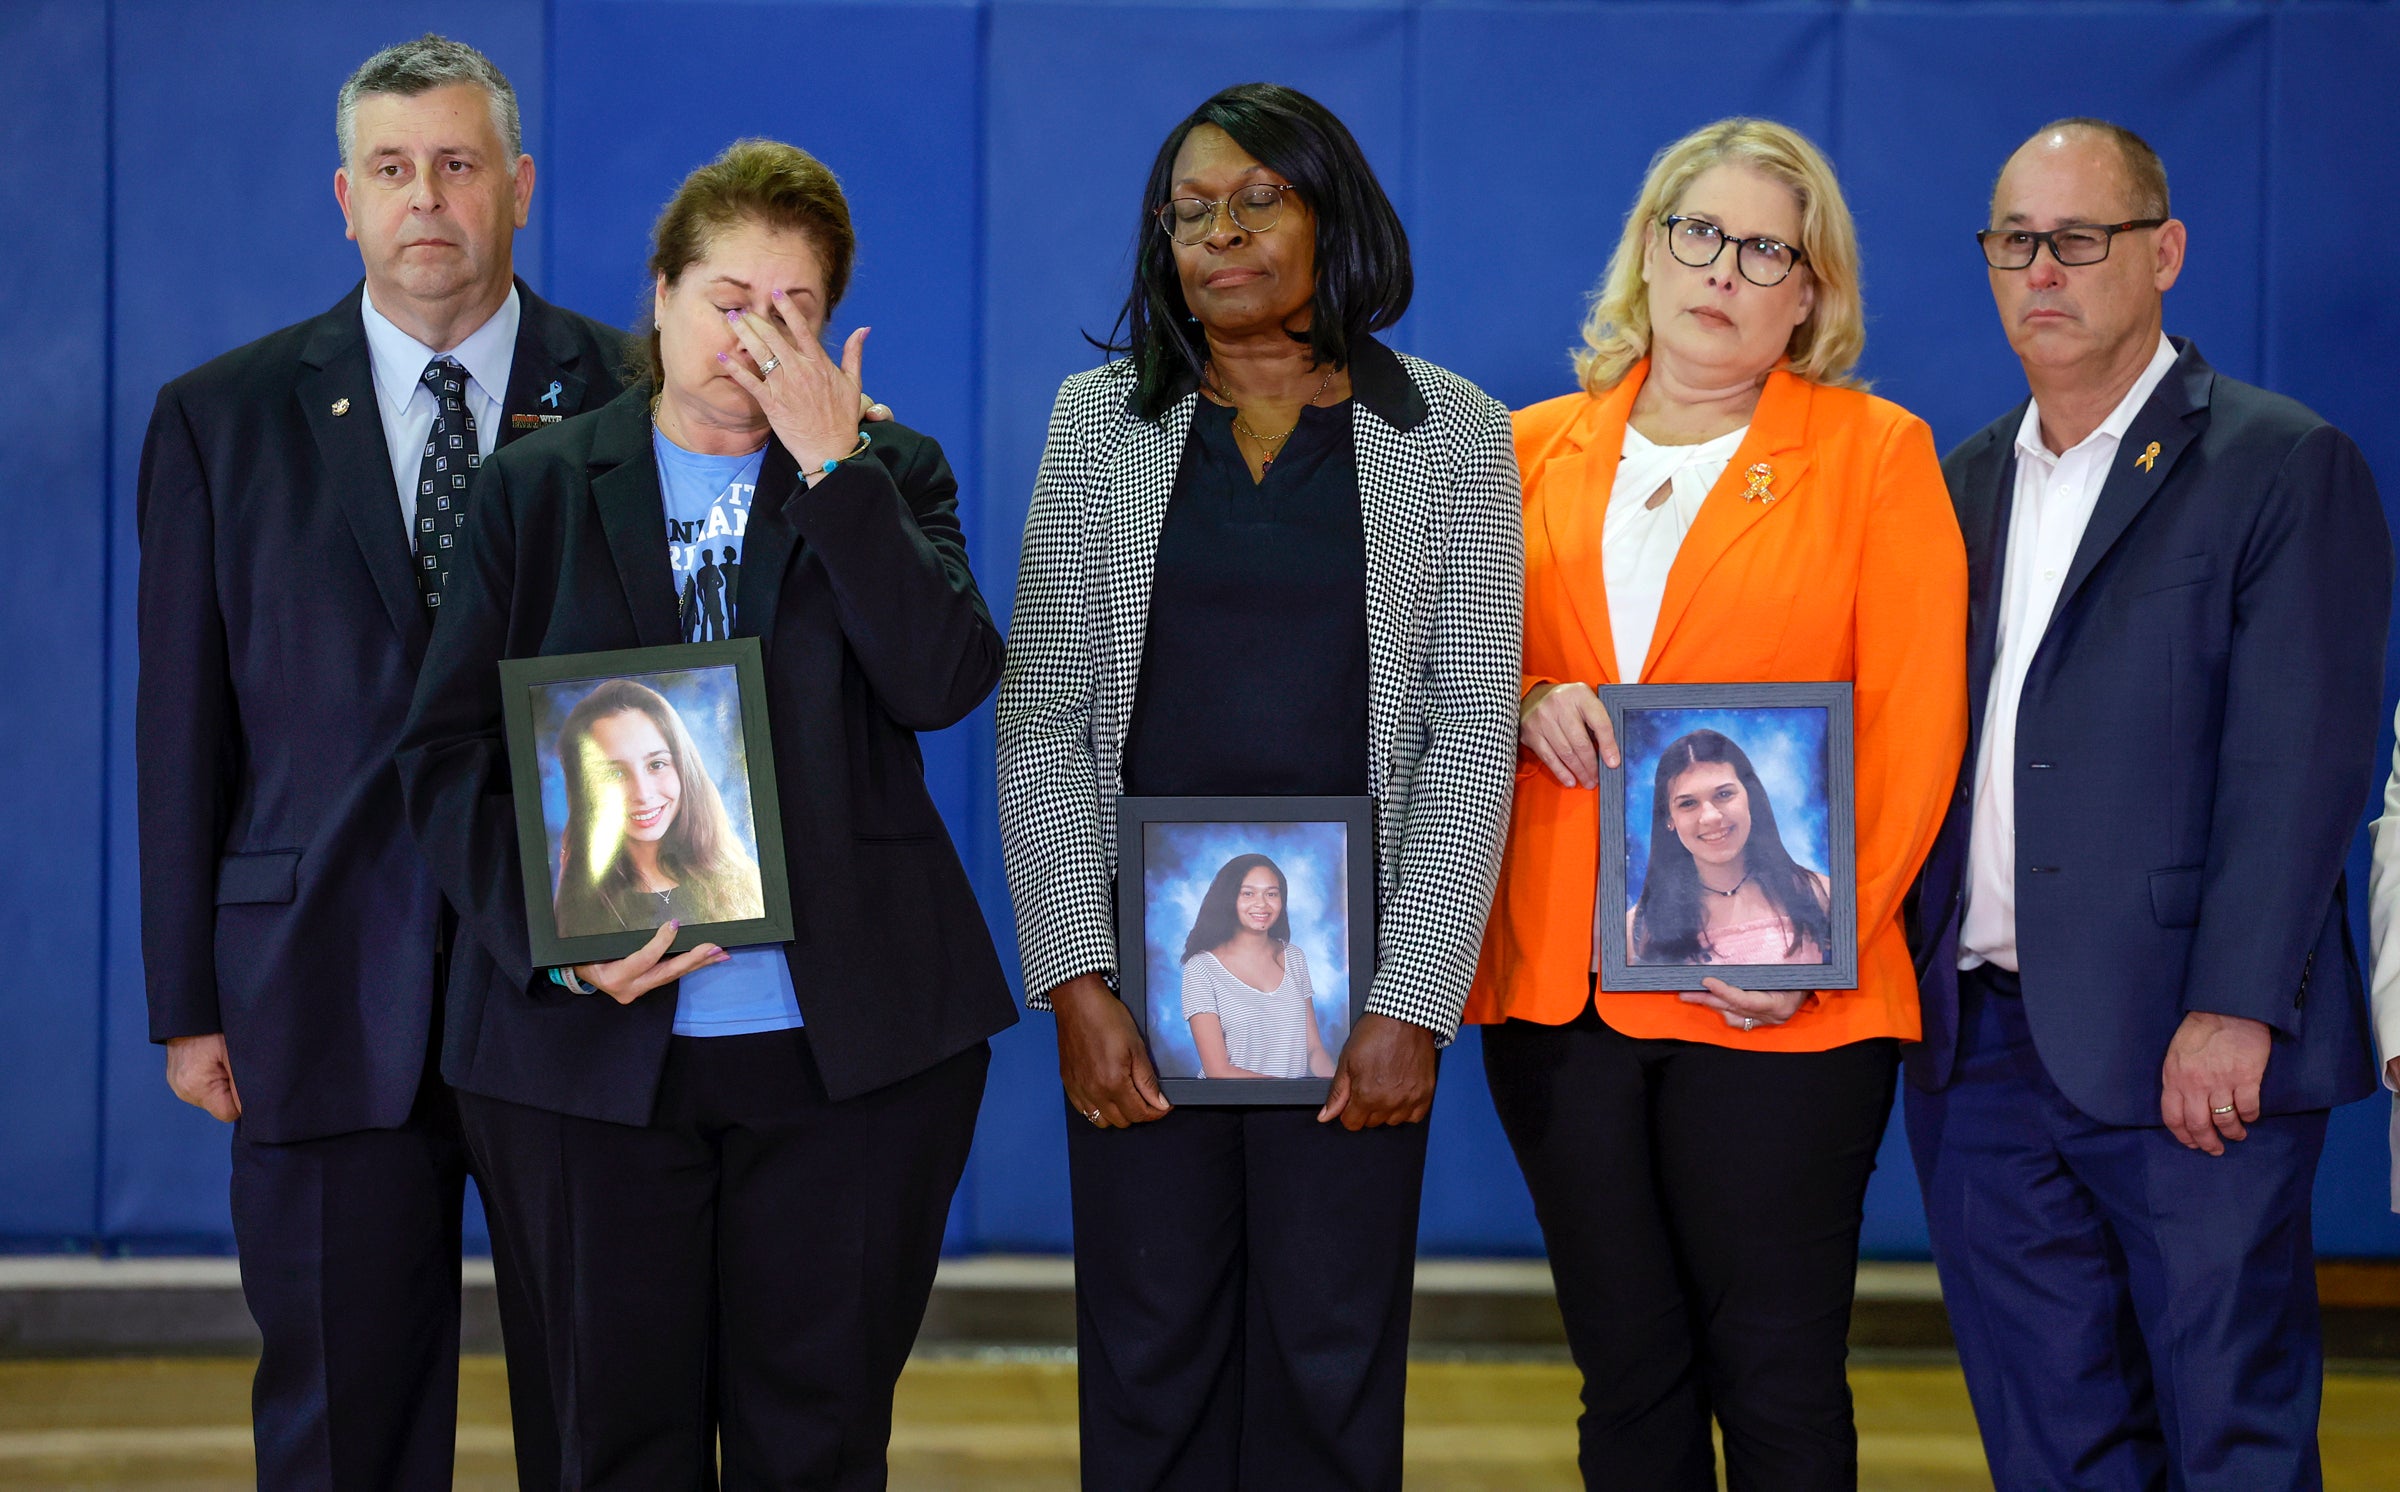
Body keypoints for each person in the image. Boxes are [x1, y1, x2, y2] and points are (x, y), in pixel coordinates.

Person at [396, 138, 1016, 1487]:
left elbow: (946, 681)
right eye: (727, 298)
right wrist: (557, 938)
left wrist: (836, 475)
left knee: (819, 1445)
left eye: (790, 310)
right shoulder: (537, 490)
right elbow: (442, 758)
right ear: (659, 296)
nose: (755, 334)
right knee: (609, 1447)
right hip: (590, 1060)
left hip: (848, 1060)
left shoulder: (888, 470)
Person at [996, 82, 1520, 1491]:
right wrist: (1074, 976)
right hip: (1141, 988)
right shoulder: (1097, 422)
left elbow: (1471, 730)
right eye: (1188, 211)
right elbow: (1042, 716)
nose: (1219, 234)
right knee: (1150, 1350)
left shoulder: (1455, 433)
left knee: (1331, 1357)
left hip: (1356, 992)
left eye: (1257, 200)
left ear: (1329, 210)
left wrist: (1415, 996)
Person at [134, 34, 626, 1491]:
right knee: (342, 1421)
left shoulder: (633, 388)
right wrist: (187, 1000)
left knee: (611, 1411)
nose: (429, 199)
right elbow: (182, 728)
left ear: (519, 188)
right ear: (341, 198)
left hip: (581, 983)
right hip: (314, 981)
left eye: (460, 166)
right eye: (395, 170)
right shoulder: (220, 419)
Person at [1463, 118, 1967, 1490]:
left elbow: (1916, 731)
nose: (1724, 271)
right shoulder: (1517, 451)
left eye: (1765, 250)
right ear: (1649, 246)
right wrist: (1516, 703)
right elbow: (1447, 673)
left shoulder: (1877, 455)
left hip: (1784, 999)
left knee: (1780, 1372)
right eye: (1700, 234)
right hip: (1566, 985)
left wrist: (1818, 944)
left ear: (1812, 291)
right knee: (1626, 1376)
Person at [1905, 119, 2390, 1492]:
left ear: (2163, 253)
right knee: (2049, 1449)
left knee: (2226, 1435)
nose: (2040, 271)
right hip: (1984, 1056)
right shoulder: (1962, 481)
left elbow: (2301, 764)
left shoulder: (2281, 464)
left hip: (2190, 1053)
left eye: (2079, 238)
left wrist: (2235, 1008)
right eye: (2014, 242)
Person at [549, 677, 764, 937]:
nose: (642, 793)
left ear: (684, 768)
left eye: (657, 764)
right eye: (614, 774)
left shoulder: (744, 881)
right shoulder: (578, 908)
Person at [1628, 728, 1831, 967]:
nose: (1711, 816)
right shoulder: (1639, 928)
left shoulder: (1820, 894)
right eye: (1688, 803)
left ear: (1750, 798)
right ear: (1669, 819)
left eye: (1724, 794)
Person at [1180, 854, 1336, 1080]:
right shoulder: (1201, 968)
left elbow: (1313, 1049)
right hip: (1229, 1106)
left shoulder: (1294, 957)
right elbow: (1218, 1071)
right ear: (1229, 898)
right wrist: (1290, 1093)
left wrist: (1336, 1084)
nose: (1262, 904)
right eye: (1248, 893)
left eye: (1271, 893)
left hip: (1291, 1107)